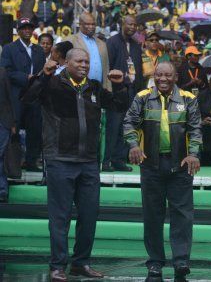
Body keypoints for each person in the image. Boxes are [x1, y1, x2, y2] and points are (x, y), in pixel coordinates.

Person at [22, 49, 127, 282]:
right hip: (60, 160)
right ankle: (58, 265)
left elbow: (120, 106)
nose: (84, 65)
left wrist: (120, 85)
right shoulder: (52, 85)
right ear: (66, 63)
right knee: (60, 217)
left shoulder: (95, 87)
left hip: (89, 162)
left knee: (89, 215)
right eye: (79, 61)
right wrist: (43, 75)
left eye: (87, 62)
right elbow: (27, 98)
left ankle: (81, 263)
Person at [123, 62, 202, 282]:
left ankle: (181, 262)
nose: (163, 79)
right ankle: (155, 263)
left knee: (183, 216)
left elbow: (195, 128)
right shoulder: (142, 97)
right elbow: (129, 122)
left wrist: (194, 153)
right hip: (151, 165)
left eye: (168, 75)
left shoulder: (189, 98)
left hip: (181, 165)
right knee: (152, 216)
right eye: (159, 75)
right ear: (154, 76)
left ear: (176, 76)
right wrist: (133, 145)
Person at [0, 18, 46, 172]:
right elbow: (5, 71)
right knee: (14, 129)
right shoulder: (9, 48)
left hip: (34, 96)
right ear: (18, 30)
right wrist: (24, 77)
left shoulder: (39, 50)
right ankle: (12, 164)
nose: (27, 31)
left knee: (35, 129)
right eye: (23, 28)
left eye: (29, 28)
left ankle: (31, 161)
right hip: (16, 96)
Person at [104, 15, 144, 172]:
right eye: (130, 24)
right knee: (113, 127)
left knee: (126, 127)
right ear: (122, 24)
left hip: (132, 91)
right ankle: (106, 161)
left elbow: (138, 69)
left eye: (135, 25)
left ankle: (119, 160)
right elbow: (108, 66)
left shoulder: (136, 45)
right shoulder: (112, 42)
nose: (133, 27)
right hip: (116, 91)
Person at [65, 13, 111, 91]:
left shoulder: (102, 44)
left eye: (93, 24)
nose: (91, 27)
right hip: (76, 88)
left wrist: (108, 88)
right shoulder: (70, 40)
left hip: (99, 89)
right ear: (80, 24)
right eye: (87, 24)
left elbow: (106, 68)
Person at [0, 67, 16, 203]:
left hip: (3, 121)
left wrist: (12, 122)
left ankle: (2, 190)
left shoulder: (2, 72)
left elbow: (9, 97)